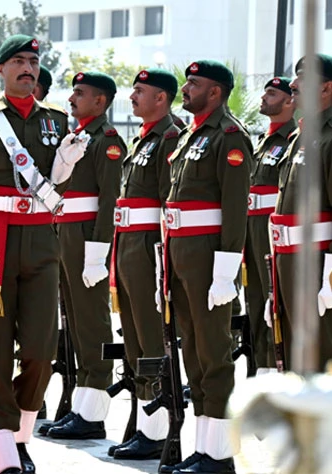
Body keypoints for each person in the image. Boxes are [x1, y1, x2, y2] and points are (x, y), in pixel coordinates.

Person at [0, 35, 86, 474]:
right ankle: (3, 449)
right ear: (3, 70)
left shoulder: (56, 120)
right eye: (19, 62)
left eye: (33, 61)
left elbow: (54, 187)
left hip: (42, 244)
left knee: (41, 348)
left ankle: (22, 432)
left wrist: (63, 168)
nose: (28, 68)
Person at [158, 60, 251, 474]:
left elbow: (234, 209)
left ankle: (220, 455)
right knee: (193, 354)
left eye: (193, 84)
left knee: (214, 354)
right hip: (181, 256)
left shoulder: (228, 136)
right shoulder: (191, 135)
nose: (186, 88)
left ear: (215, 92)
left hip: (209, 259)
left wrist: (226, 271)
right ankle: (205, 448)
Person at [45, 71, 126, 440]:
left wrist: (97, 253)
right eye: (73, 91)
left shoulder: (107, 140)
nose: (72, 97)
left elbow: (108, 201)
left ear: (101, 101)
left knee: (92, 323)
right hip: (65, 233)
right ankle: (79, 406)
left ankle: (93, 412)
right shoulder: (76, 137)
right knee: (75, 322)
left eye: (81, 93)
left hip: (85, 238)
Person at [108, 69, 181, 460]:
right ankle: (142, 423)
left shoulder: (170, 137)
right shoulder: (144, 139)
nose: (132, 96)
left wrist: (164, 262)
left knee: (152, 340)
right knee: (135, 340)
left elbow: (169, 203)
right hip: (130, 248)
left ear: (161, 99)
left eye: (140, 91)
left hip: (150, 249)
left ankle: (156, 432)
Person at [269, 55, 332, 373]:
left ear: (326, 88)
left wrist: (331, 277)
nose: (293, 85)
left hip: (318, 267)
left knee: (321, 357)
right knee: (297, 360)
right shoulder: (300, 136)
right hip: (290, 262)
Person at [245, 77, 296, 374]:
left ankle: (270, 367)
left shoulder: (291, 139)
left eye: (272, 93)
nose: (264, 97)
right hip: (253, 232)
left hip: (272, 234)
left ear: (290, 101)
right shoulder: (265, 140)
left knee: (270, 301)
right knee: (255, 302)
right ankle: (259, 367)